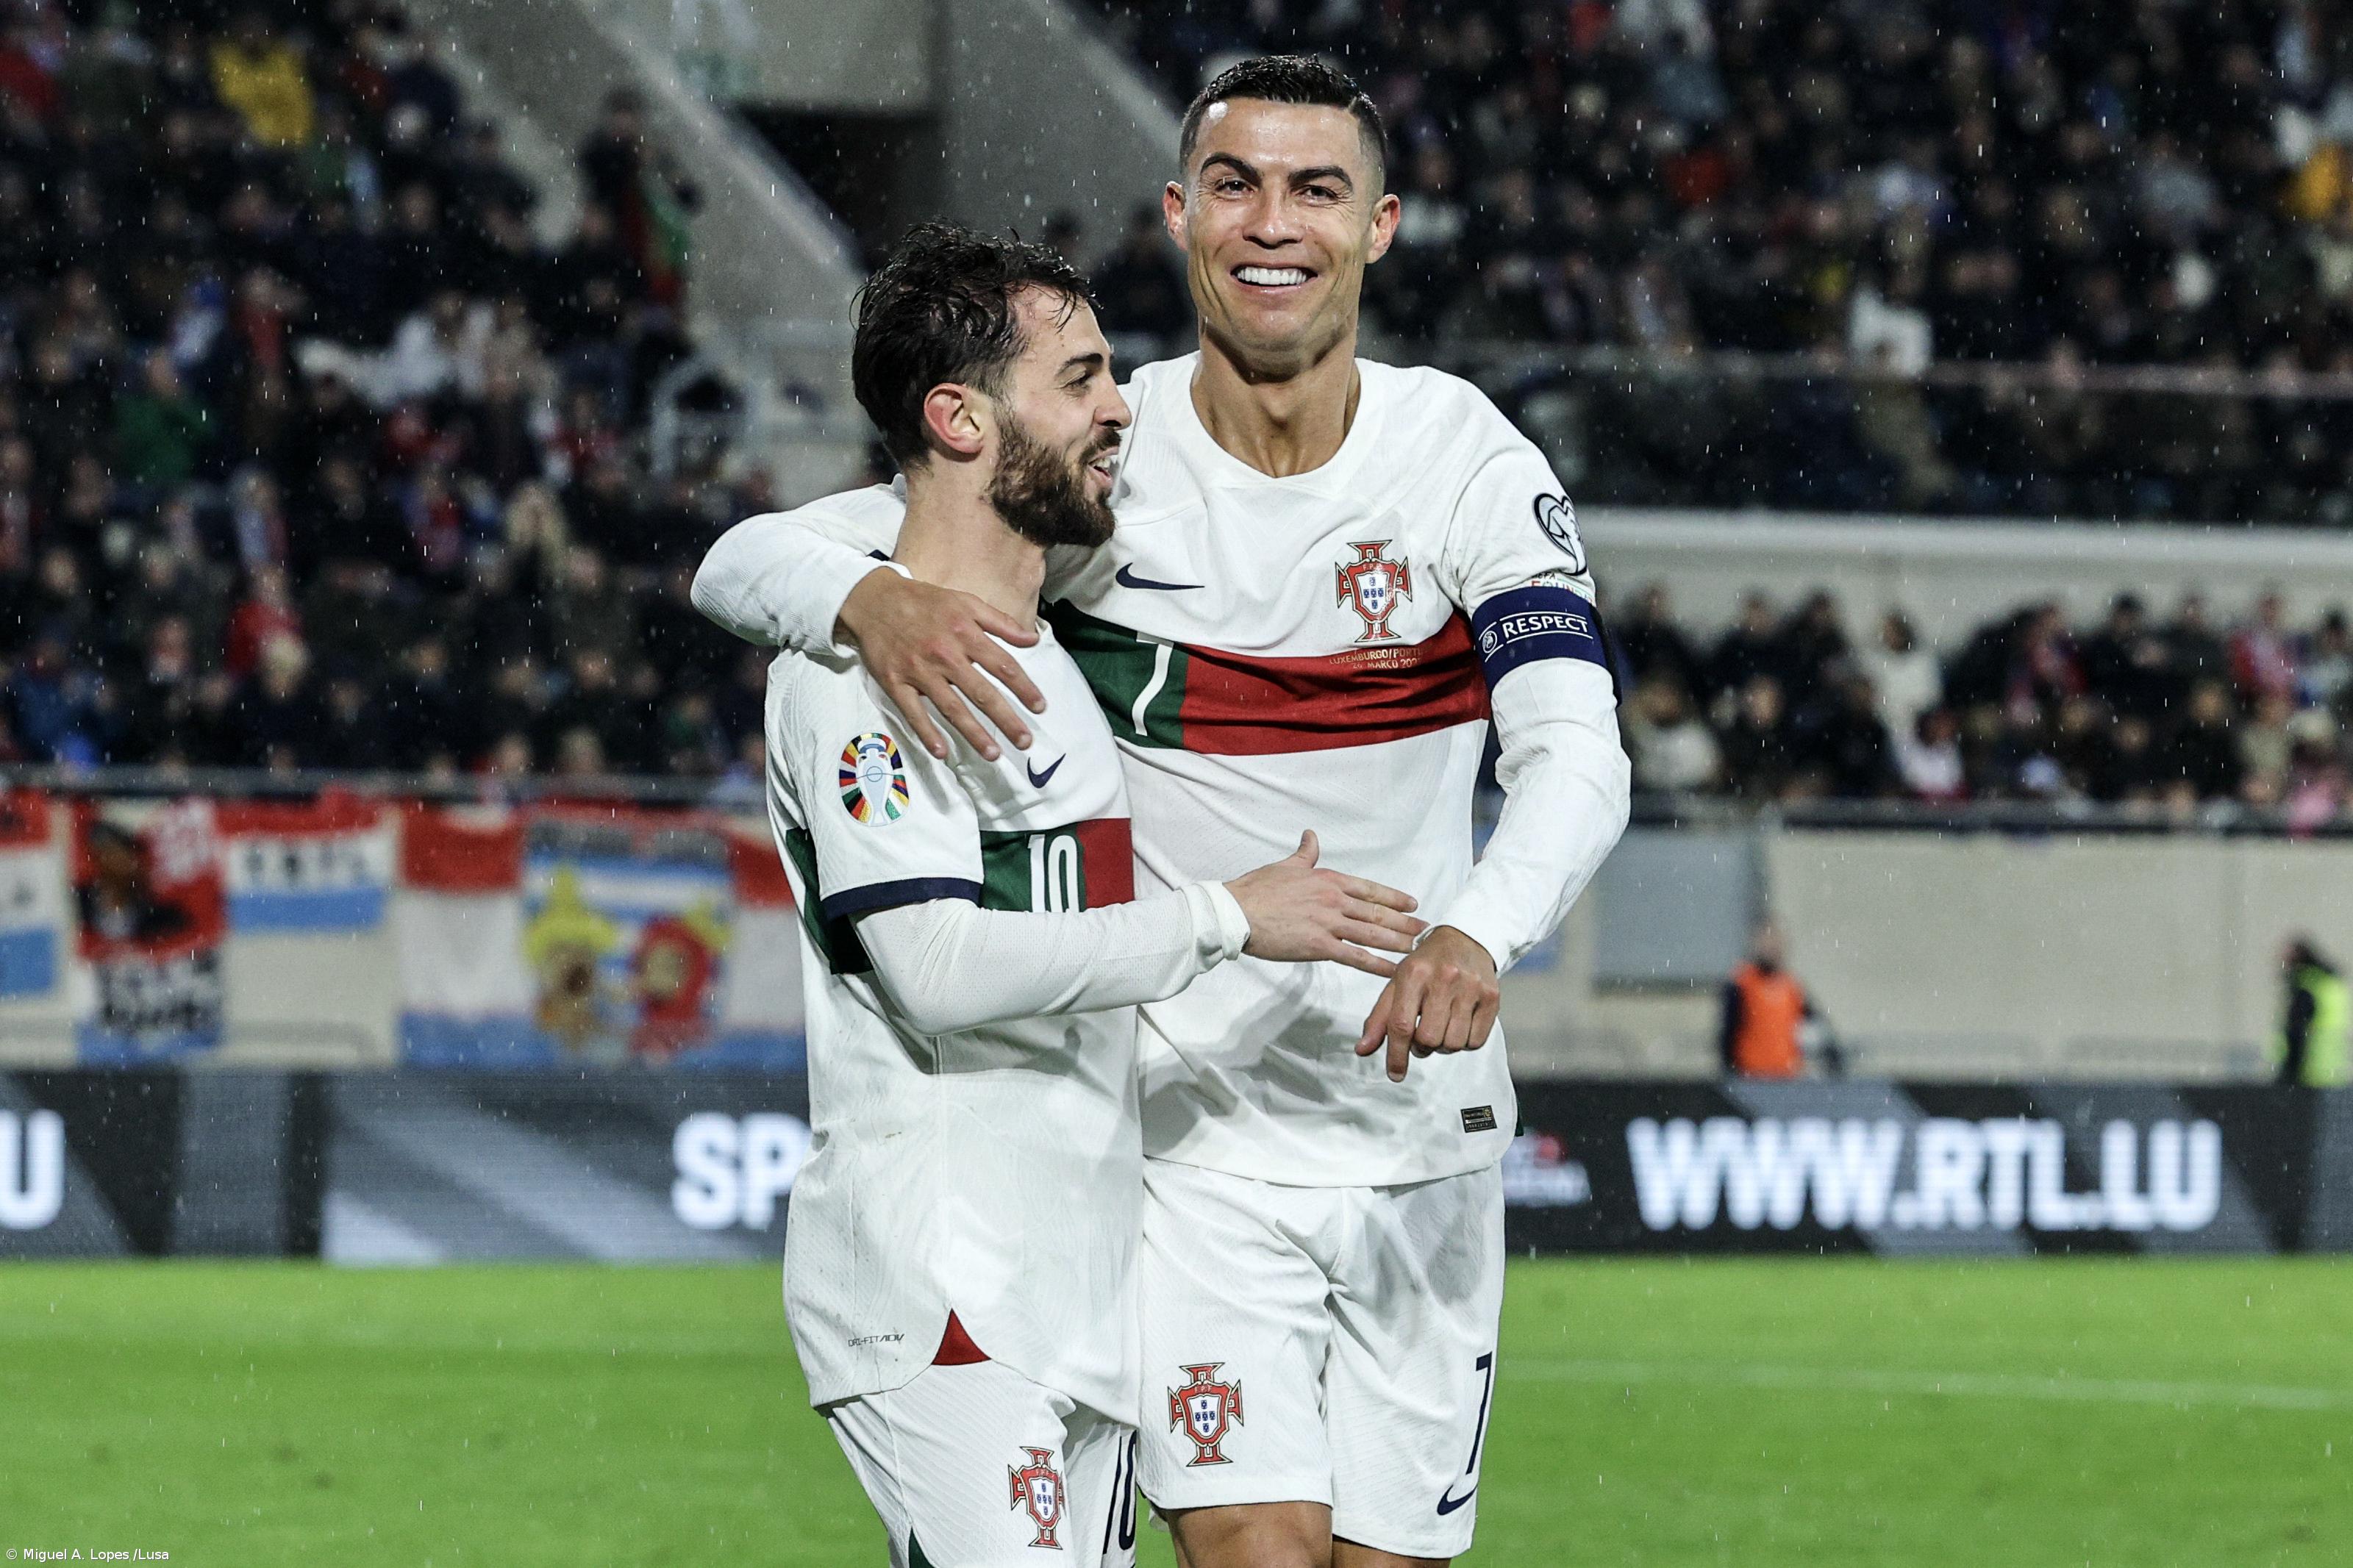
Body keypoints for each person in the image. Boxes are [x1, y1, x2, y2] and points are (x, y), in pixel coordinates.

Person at [697, 58, 1630, 1568]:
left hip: (1421, 1131)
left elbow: (1576, 753)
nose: (1275, 222)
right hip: (1190, 1139)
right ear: (1180, 213)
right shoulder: (1100, 468)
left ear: (1380, 227)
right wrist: (868, 596)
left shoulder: (1462, 458)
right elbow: (743, 561)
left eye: (1316, 188)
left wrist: (1478, 922)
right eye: (1238, 184)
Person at [760, 223, 1426, 1568]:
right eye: (1080, 379)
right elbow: (932, 967)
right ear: (957, 416)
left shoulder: (1054, 646)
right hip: (943, 1283)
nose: (1122, 406)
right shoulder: (861, 669)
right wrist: (1228, 918)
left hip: (1076, 1280)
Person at [1717, 920, 1827, 1079]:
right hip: (1751, 1078)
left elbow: (1816, 1025)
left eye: (1776, 942)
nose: (1773, 948)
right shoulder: (1742, 983)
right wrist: (1730, 1073)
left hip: (1787, 1079)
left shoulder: (1791, 987)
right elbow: (1728, 1034)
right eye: (1767, 942)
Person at [2274, 937, 2350, 1089]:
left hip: (2309, 1072)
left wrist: (2288, 1070)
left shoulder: (2306, 985)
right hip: (2335, 1069)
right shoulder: (2329, 983)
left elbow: (2296, 1032)